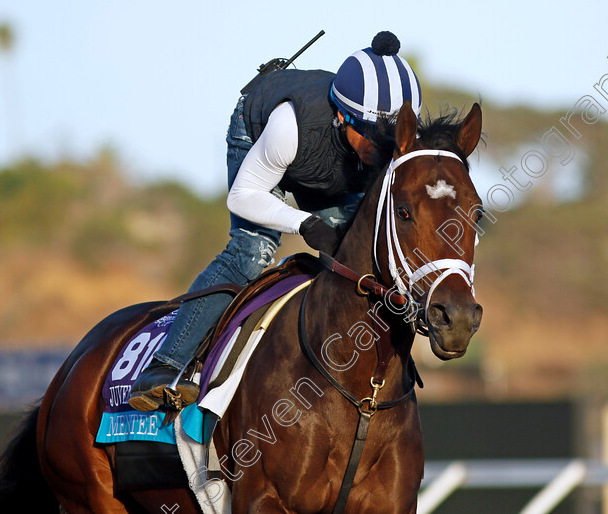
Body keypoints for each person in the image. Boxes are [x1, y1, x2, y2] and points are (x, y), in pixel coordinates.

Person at [129, 31, 422, 412]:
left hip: (323, 161)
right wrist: (304, 223)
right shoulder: (288, 128)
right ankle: (165, 366)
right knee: (251, 253)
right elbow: (243, 196)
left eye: (388, 136)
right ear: (341, 115)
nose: (378, 147)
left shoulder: (381, 143)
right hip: (259, 137)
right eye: (368, 133)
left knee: (357, 255)